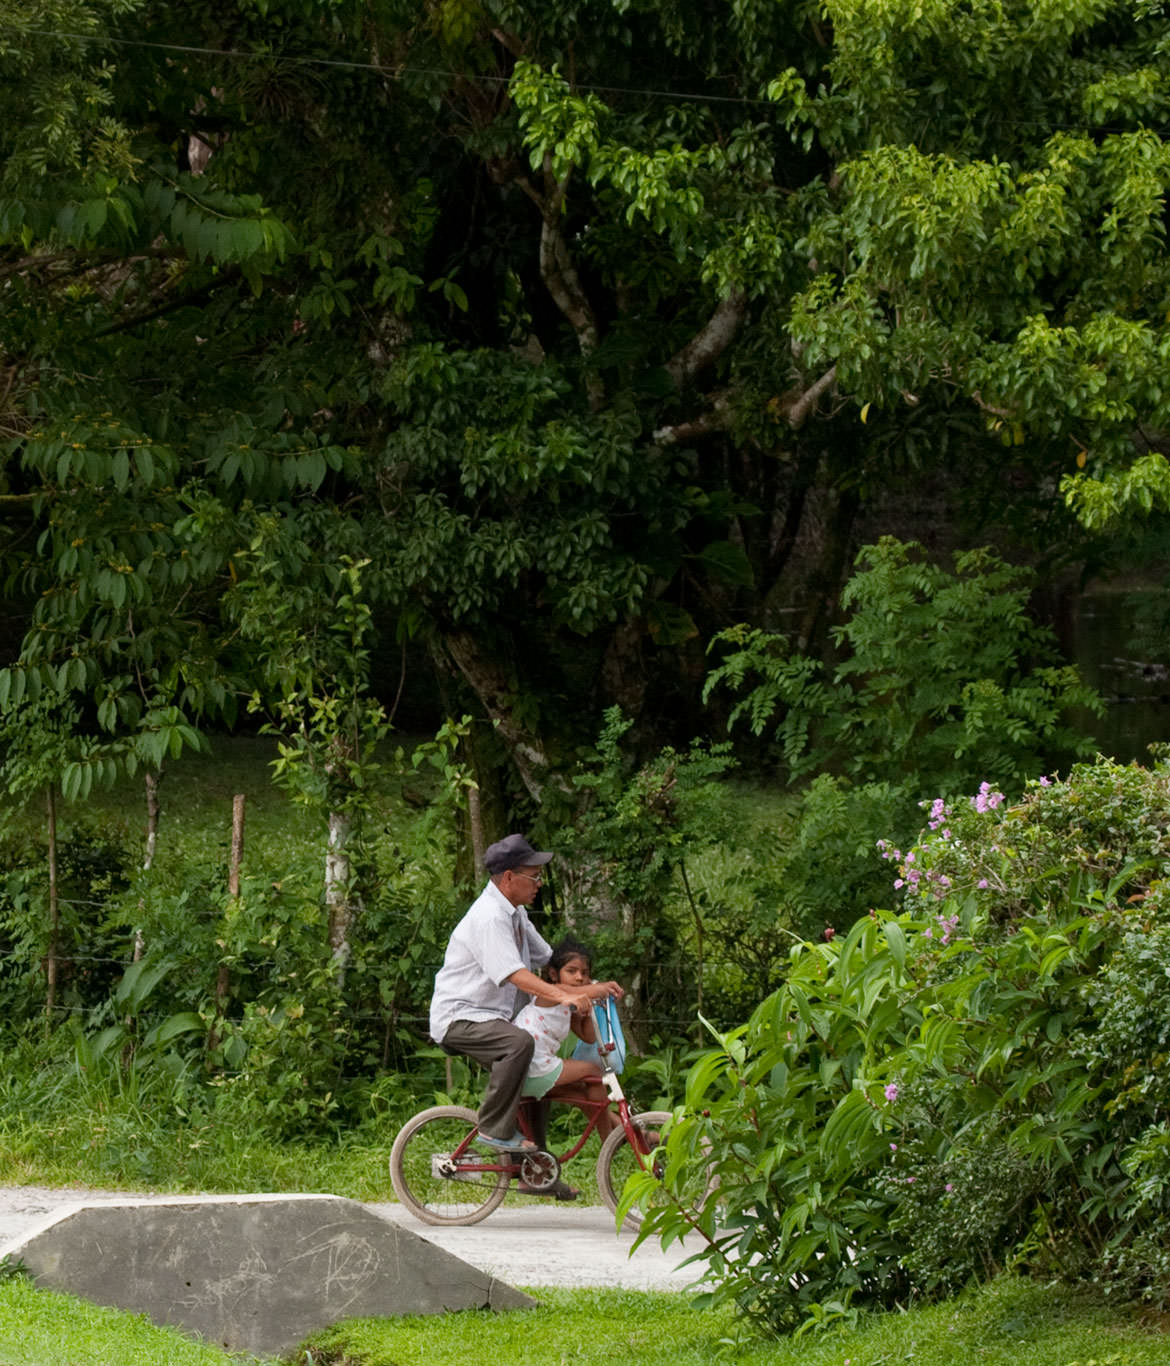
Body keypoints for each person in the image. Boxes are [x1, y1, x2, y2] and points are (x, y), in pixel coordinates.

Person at [428, 833, 621, 1156]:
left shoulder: (515, 914)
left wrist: (592, 988)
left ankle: (536, 1171)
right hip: (461, 1019)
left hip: (492, 1019)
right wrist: (563, 997)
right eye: (533, 876)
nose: (539, 883)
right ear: (508, 878)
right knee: (519, 1044)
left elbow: (550, 961)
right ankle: (492, 1127)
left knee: (535, 1081)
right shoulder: (489, 917)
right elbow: (515, 975)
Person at [515, 937, 622, 1143]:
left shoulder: (568, 1004)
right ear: (554, 974)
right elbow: (566, 992)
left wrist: (594, 1005)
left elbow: (588, 1036)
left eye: (585, 973)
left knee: (583, 1094)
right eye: (571, 971)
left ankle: (622, 1135)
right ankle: (608, 1140)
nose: (580, 977)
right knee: (592, 1071)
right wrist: (597, 989)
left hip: (533, 1067)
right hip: (531, 1063)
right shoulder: (548, 995)